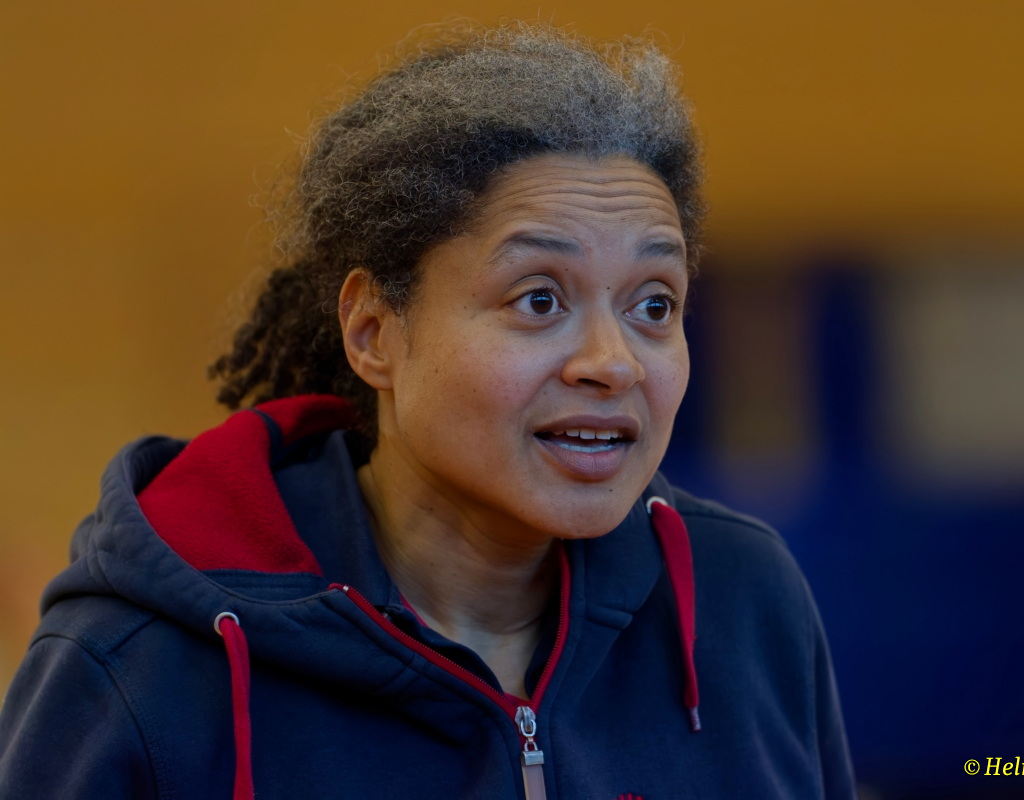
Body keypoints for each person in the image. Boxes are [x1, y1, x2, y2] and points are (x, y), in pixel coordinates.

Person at [0, 23, 855, 799]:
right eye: (539, 299)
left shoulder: (744, 601)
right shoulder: (136, 665)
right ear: (373, 332)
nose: (614, 361)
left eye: (654, 305)